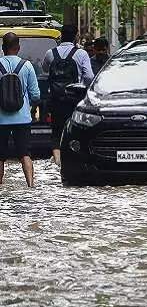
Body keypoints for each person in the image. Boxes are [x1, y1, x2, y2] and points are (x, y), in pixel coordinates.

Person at [41, 24, 94, 166]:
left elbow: (45, 69)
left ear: (60, 36)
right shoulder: (81, 54)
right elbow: (89, 76)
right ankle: (74, 158)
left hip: (56, 99)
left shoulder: (50, 53)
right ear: (76, 36)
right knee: (76, 128)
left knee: (57, 128)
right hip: (75, 99)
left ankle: (58, 161)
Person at [0, 33, 42, 188]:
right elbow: (36, 94)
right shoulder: (27, 65)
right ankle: (30, 186)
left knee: (0, 157)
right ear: (18, 48)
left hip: (1, 120)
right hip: (22, 118)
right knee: (25, 154)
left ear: (3, 48)